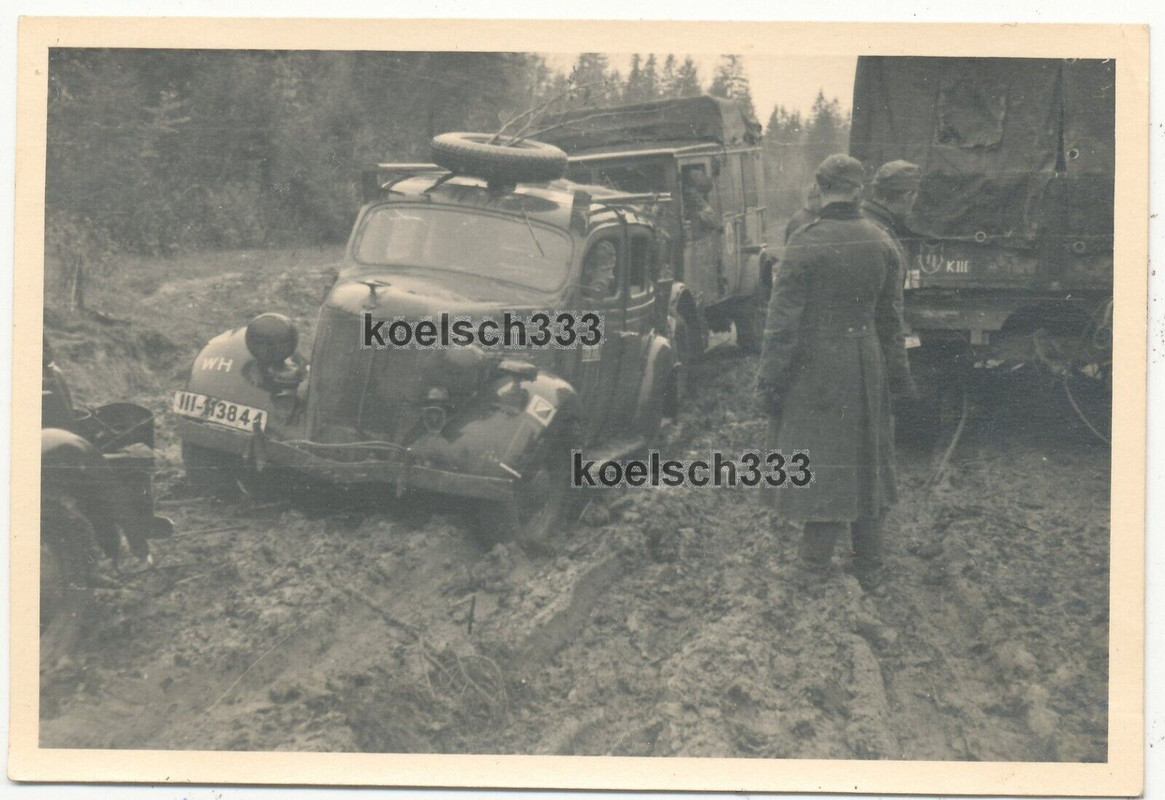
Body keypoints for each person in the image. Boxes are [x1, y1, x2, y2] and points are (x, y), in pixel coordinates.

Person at [756, 153, 915, 593]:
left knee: (824, 462)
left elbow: (781, 323)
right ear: (859, 190)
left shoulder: (805, 242)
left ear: (820, 187)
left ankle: (811, 570)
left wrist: (770, 381)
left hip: (817, 366)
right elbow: (891, 322)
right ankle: (872, 567)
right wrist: (899, 380)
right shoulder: (882, 242)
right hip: (867, 362)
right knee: (867, 459)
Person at [861, 160, 921, 260]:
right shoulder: (884, 234)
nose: (916, 199)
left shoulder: (863, 219)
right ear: (906, 196)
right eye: (915, 194)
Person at [682, 169, 718, 236]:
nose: (702, 177)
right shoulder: (691, 192)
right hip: (697, 225)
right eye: (700, 175)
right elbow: (704, 207)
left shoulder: (694, 192)